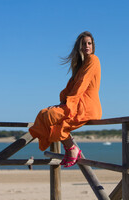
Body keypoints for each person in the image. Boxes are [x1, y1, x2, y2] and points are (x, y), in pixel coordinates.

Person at [29, 31, 102, 168]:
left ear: (93, 46)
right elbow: (71, 86)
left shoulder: (93, 59)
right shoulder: (80, 65)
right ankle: (71, 149)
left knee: (51, 115)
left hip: (87, 106)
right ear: (78, 47)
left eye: (89, 43)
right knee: (44, 113)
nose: (87, 46)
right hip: (76, 102)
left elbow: (82, 84)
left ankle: (72, 149)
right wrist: (62, 102)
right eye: (83, 44)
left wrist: (68, 104)